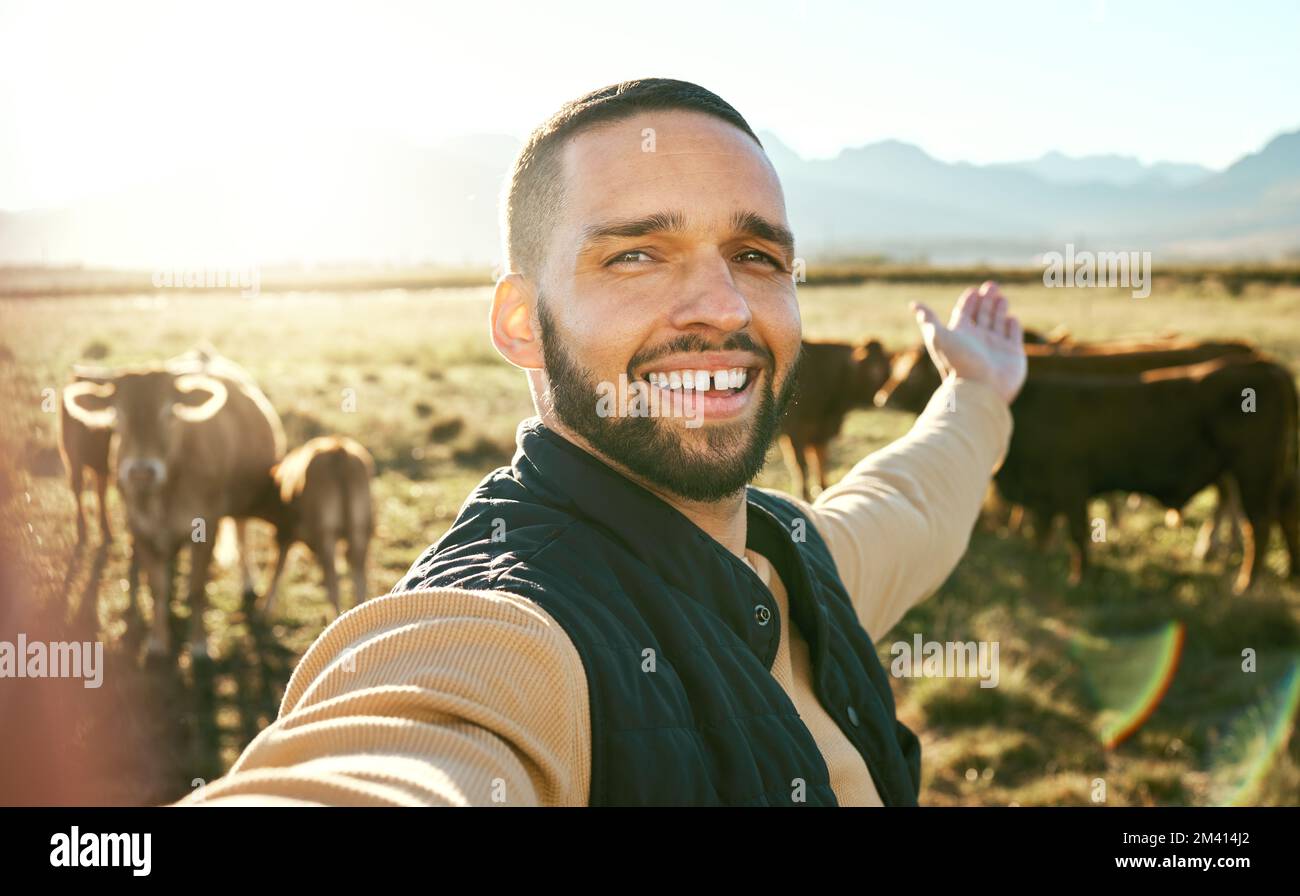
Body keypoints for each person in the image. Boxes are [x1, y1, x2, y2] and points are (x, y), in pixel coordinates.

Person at [176, 78, 1026, 807]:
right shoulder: (512, 631)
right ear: (521, 323)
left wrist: (978, 393)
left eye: (756, 253)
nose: (724, 306)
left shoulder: (796, 558)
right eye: (637, 255)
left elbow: (908, 503)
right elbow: (409, 741)